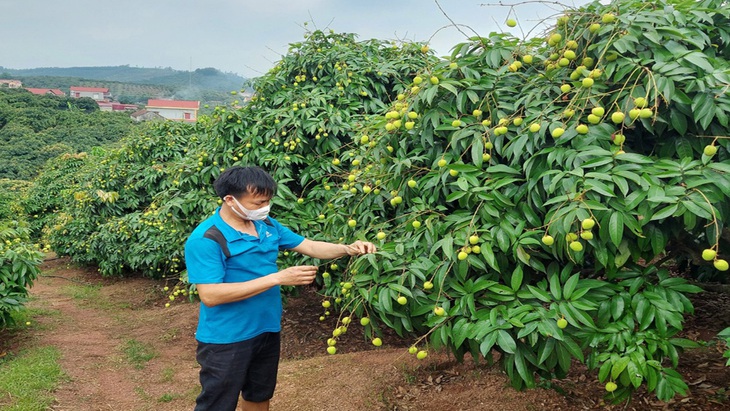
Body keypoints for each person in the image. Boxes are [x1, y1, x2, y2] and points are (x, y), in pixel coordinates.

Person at [184, 166, 376, 411]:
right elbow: (210, 296)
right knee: (218, 403)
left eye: (267, 201)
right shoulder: (207, 239)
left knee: (259, 394)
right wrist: (277, 278)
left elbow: (310, 246)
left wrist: (348, 248)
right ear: (230, 200)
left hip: (266, 329)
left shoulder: (266, 225)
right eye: (258, 202)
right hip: (226, 337)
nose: (264, 207)